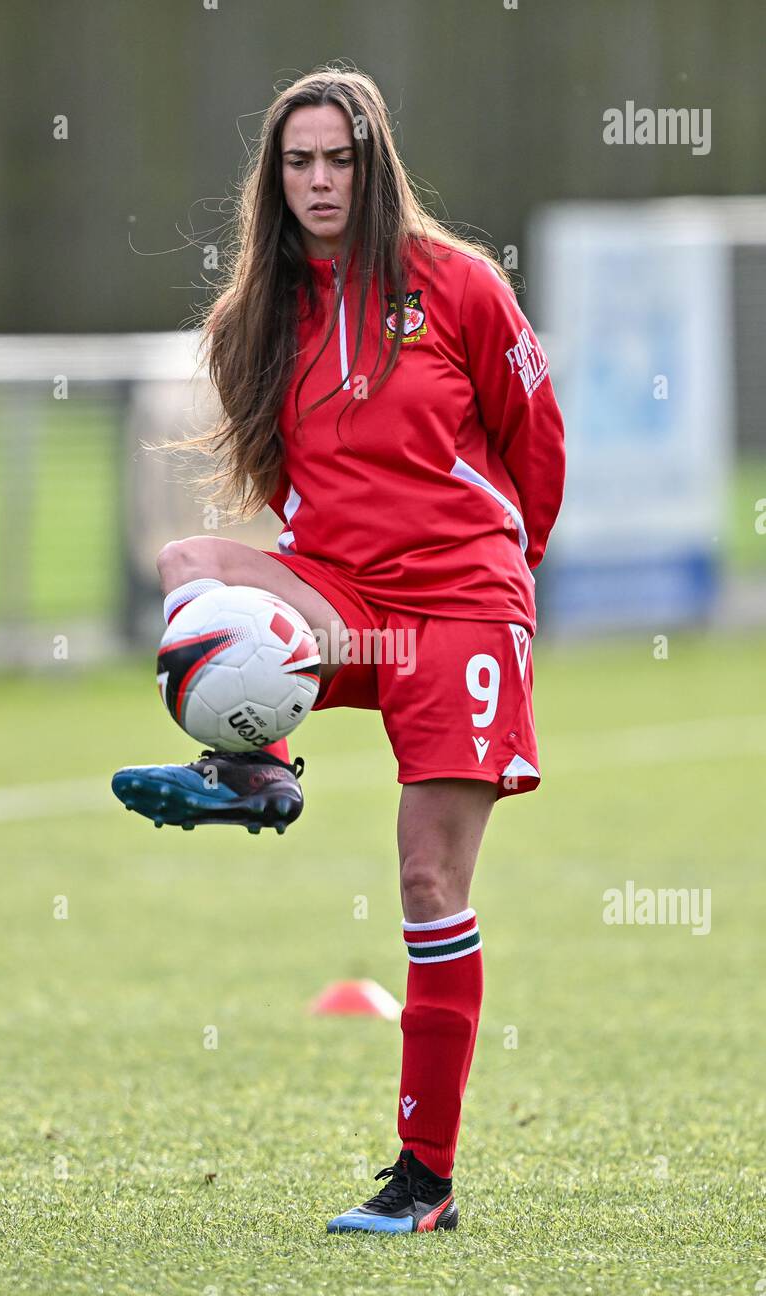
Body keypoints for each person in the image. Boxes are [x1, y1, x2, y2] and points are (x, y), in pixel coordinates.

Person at [112, 65, 565, 1234]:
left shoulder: (459, 286)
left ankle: (426, 1181)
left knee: (428, 879)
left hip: (462, 606)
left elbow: (538, 445)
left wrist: (512, 594)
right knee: (191, 578)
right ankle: (254, 767)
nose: (319, 181)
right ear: (276, 178)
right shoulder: (255, 317)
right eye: (298, 162)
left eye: (339, 159)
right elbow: (282, 489)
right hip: (348, 600)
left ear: (374, 166)